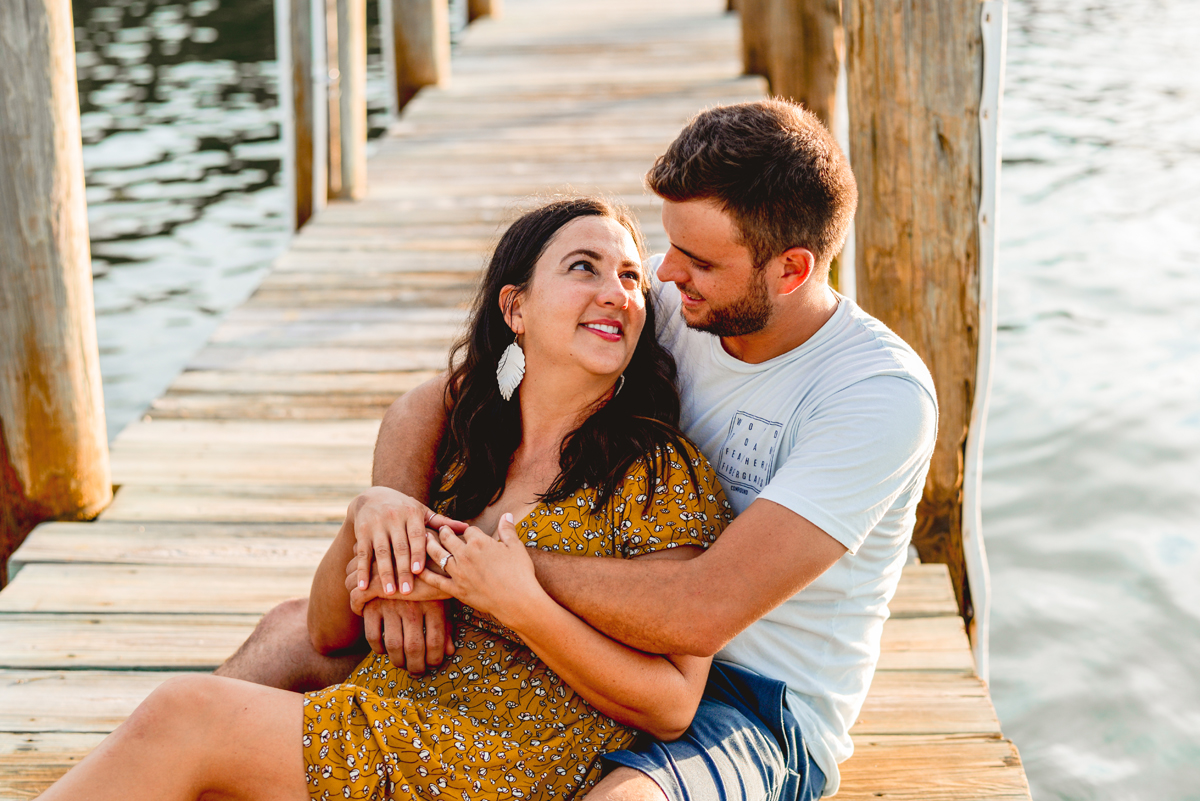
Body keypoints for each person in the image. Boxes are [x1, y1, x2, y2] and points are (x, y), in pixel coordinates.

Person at [221, 98, 939, 801]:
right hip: (578, 631)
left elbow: (703, 608)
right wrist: (400, 528)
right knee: (292, 631)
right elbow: (430, 403)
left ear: (791, 270)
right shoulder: (671, 300)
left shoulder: (875, 396)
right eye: (667, 247)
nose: (661, 274)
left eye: (694, 259)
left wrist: (488, 566)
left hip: (751, 700)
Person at [34, 197, 732, 801]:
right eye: (585, 267)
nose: (617, 291)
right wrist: (364, 519)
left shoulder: (658, 470)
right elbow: (329, 629)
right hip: (393, 713)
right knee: (203, 732)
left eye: (633, 277)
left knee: (187, 713)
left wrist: (521, 602)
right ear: (515, 307)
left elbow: (671, 705)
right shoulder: (471, 443)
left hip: (497, 761)